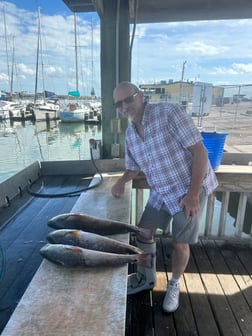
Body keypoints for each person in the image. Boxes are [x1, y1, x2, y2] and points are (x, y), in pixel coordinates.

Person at [111, 81, 218, 313]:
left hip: (188, 186)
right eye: (119, 103)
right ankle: (147, 278)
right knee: (143, 232)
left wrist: (192, 195)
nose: (124, 106)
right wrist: (121, 181)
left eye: (128, 99)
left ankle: (174, 283)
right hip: (162, 190)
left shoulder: (168, 113)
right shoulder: (130, 133)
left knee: (179, 243)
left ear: (140, 96)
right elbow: (133, 167)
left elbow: (200, 152)